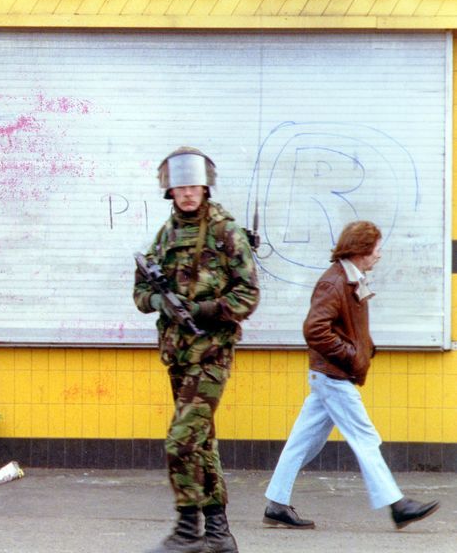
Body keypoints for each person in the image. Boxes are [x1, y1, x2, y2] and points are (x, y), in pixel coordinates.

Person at [263, 221, 440, 531]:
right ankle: (397, 505)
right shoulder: (335, 282)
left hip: (328, 377)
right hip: (333, 376)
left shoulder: (350, 278)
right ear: (360, 251)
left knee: (303, 442)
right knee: (365, 437)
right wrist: (350, 354)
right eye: (376, 249)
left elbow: (344, 327)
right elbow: (315, 330)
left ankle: (276, 504)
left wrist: (363, 348)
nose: (379, 255)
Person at [133, 147, 260, 553]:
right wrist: (161, 303)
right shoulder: (166, 235)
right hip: (178, 354)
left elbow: (248, 295)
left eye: (194, 184)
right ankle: (219, 534)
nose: (187, 193)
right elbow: (140, 292)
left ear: (206, 186)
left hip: (212, 353)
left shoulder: (226, 233)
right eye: (180, 185)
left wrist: (202, 309)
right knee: (202, 443)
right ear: (169, 189)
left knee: (180, 441)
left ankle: (189, 530)